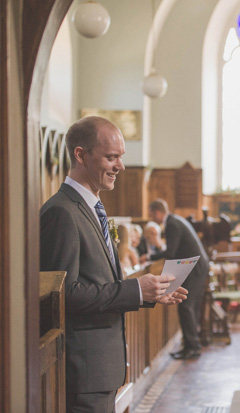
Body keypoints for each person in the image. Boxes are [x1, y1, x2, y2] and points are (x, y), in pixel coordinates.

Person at [40, 116, 188, 413]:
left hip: (102, 369)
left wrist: (150, 294)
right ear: (80, 155)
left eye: (121, 157)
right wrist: (134, 290)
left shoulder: (93, 206)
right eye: (111, 157)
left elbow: (101, 284)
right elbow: (63, 296)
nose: (120, 166)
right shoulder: (62, 212)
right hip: (83, 371)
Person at [147, 198, 210, 360]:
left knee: (186, 306)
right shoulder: (175, 220)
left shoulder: (172, 224)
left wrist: (150, 256)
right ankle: (190, 345)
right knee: (189, 306)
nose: (152, 219)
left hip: (195, 268)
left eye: (152, 215)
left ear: (157, 212)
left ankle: (193, 347)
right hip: (195, 266)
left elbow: (171, 253)